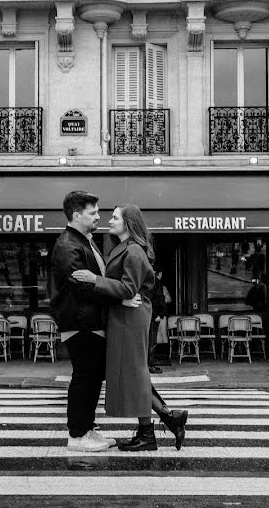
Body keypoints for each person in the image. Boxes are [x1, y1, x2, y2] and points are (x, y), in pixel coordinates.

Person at [73, 205, 188, 451]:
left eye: (115, 217)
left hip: (130, 318)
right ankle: (166, 419)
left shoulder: (134, 251)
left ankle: (151, 431)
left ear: (128, 223)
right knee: (135, 373)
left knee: (135, 373)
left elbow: (128, 289)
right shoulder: (126, 248)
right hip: (125, 316)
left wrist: (95, 280)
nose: (110, 220)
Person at [50, 190, 118, 452]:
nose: (98, 217)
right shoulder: (69, 245)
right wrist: (116, 296)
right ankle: (77, 435)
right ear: (76, 215)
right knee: (84, 377)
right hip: (81, 322)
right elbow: (81, 286)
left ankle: (87, 429)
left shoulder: (82, 240)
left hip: (88, 321)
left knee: (91, 377)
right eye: (92, 213)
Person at [148, 267, 171, 374]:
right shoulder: (152, 282)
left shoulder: (153, 281)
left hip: (156, 316)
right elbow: (151, 300)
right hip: (154, 317)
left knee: (152, 341)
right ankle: (149, 365)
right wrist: (155, 315)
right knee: (151, 342)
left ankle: (150, 364)